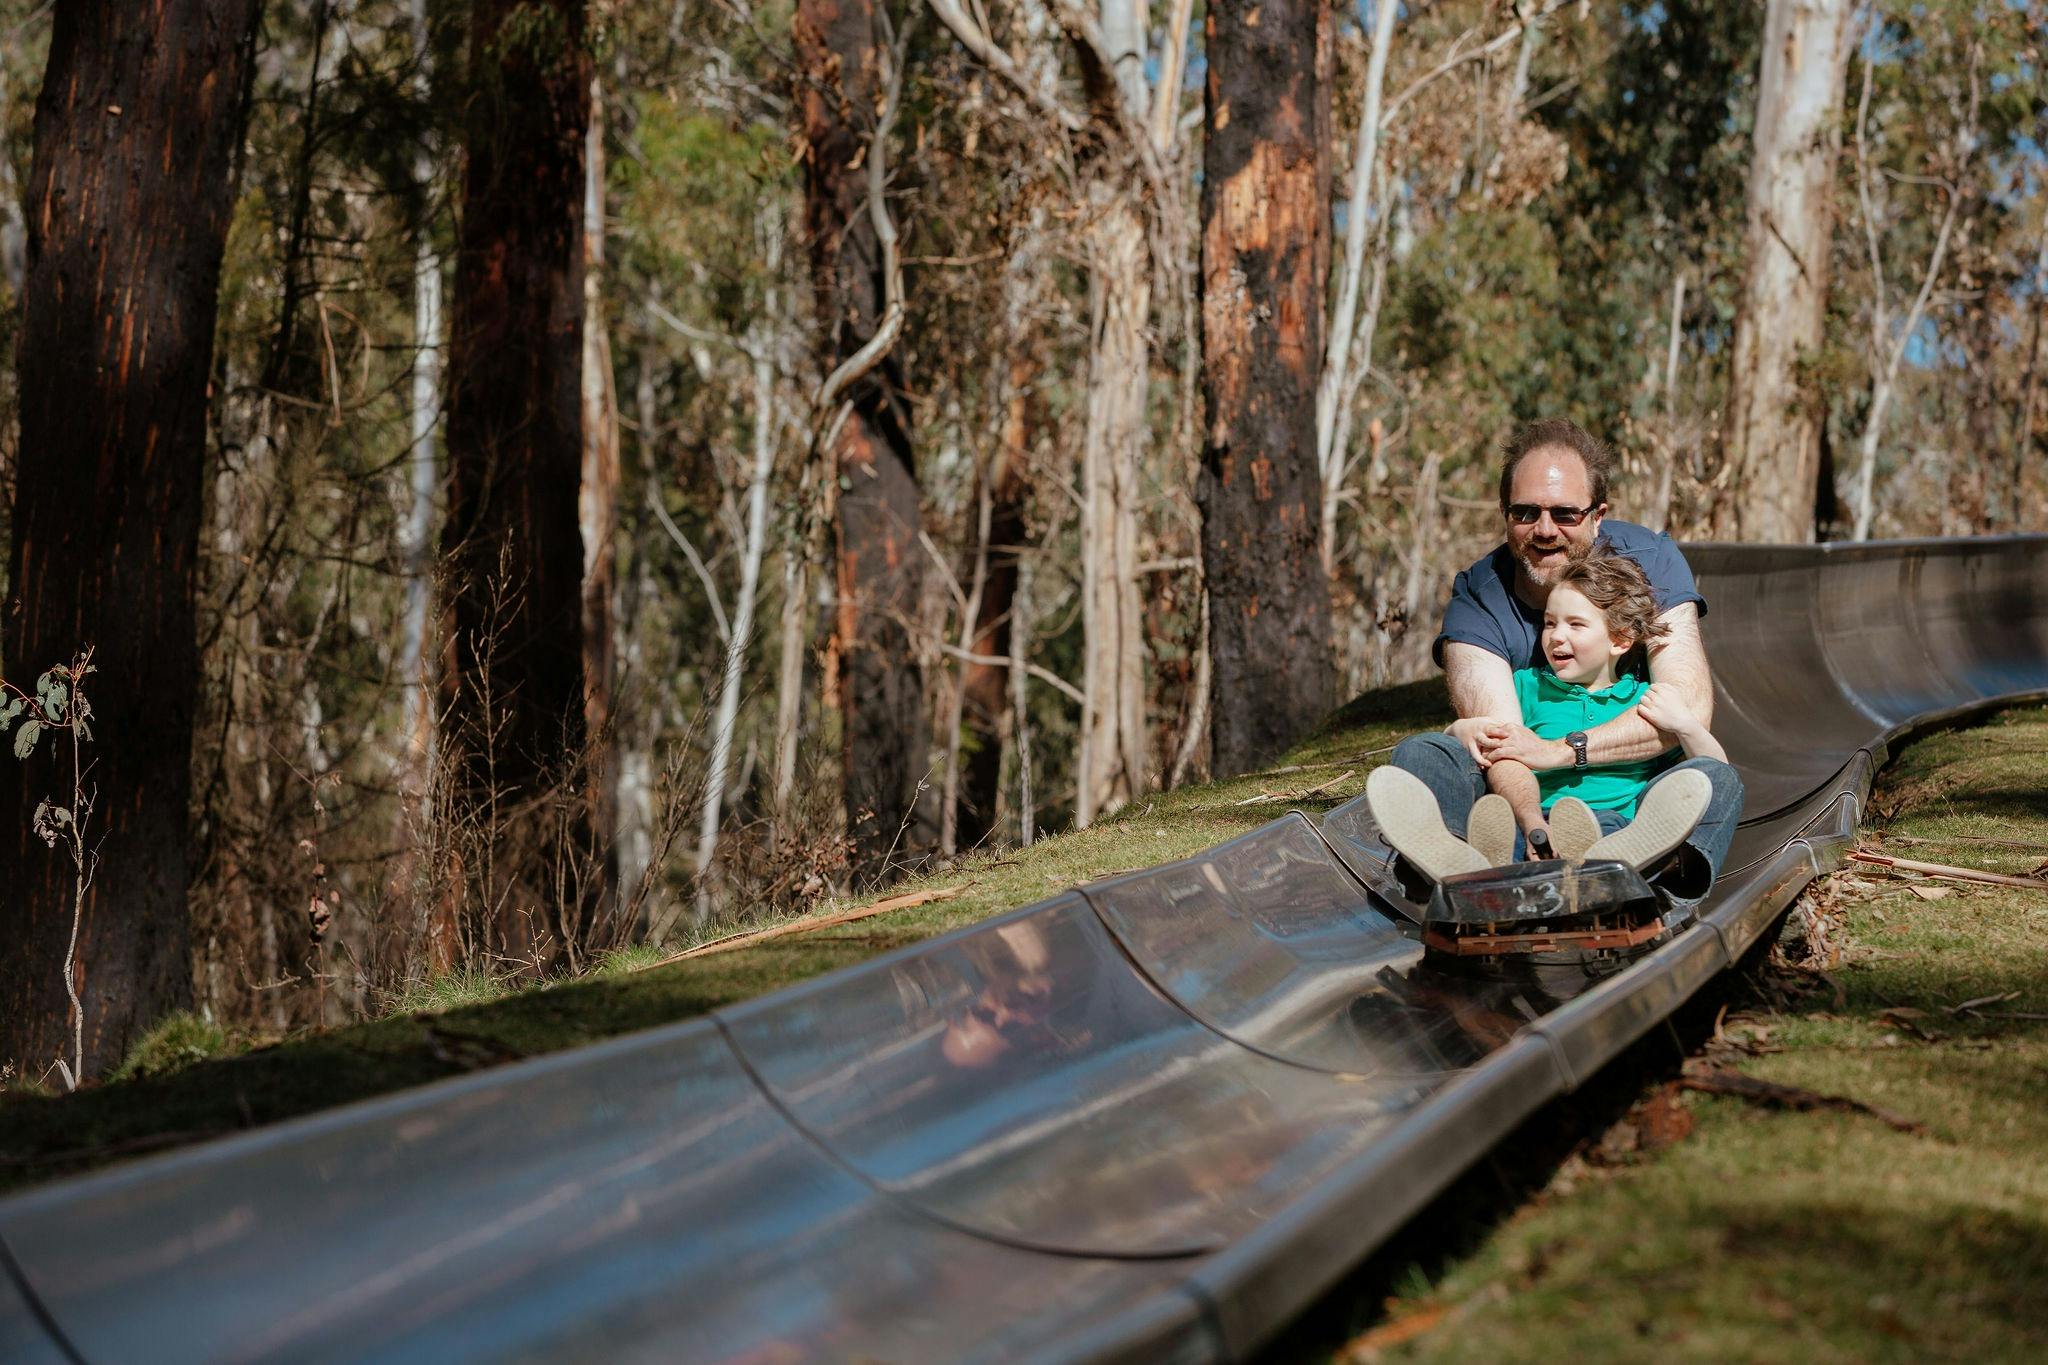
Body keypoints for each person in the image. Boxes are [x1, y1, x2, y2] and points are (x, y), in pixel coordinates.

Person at [1368, 418, 1743, 916]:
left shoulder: (1648, 564)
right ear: (1504, 514)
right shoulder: (1480, 598)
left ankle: (1638, 873)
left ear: (1597, 516)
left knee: (1716, 781)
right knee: (1425, 752)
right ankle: (1463, 865)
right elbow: (1500, 742)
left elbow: (1690, 711)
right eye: (1526, 513)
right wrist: (1533, 828)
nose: (1544, 530)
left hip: (1616, 817)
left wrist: (1555, 751)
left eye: (1565, 513)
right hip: (1520, 813)